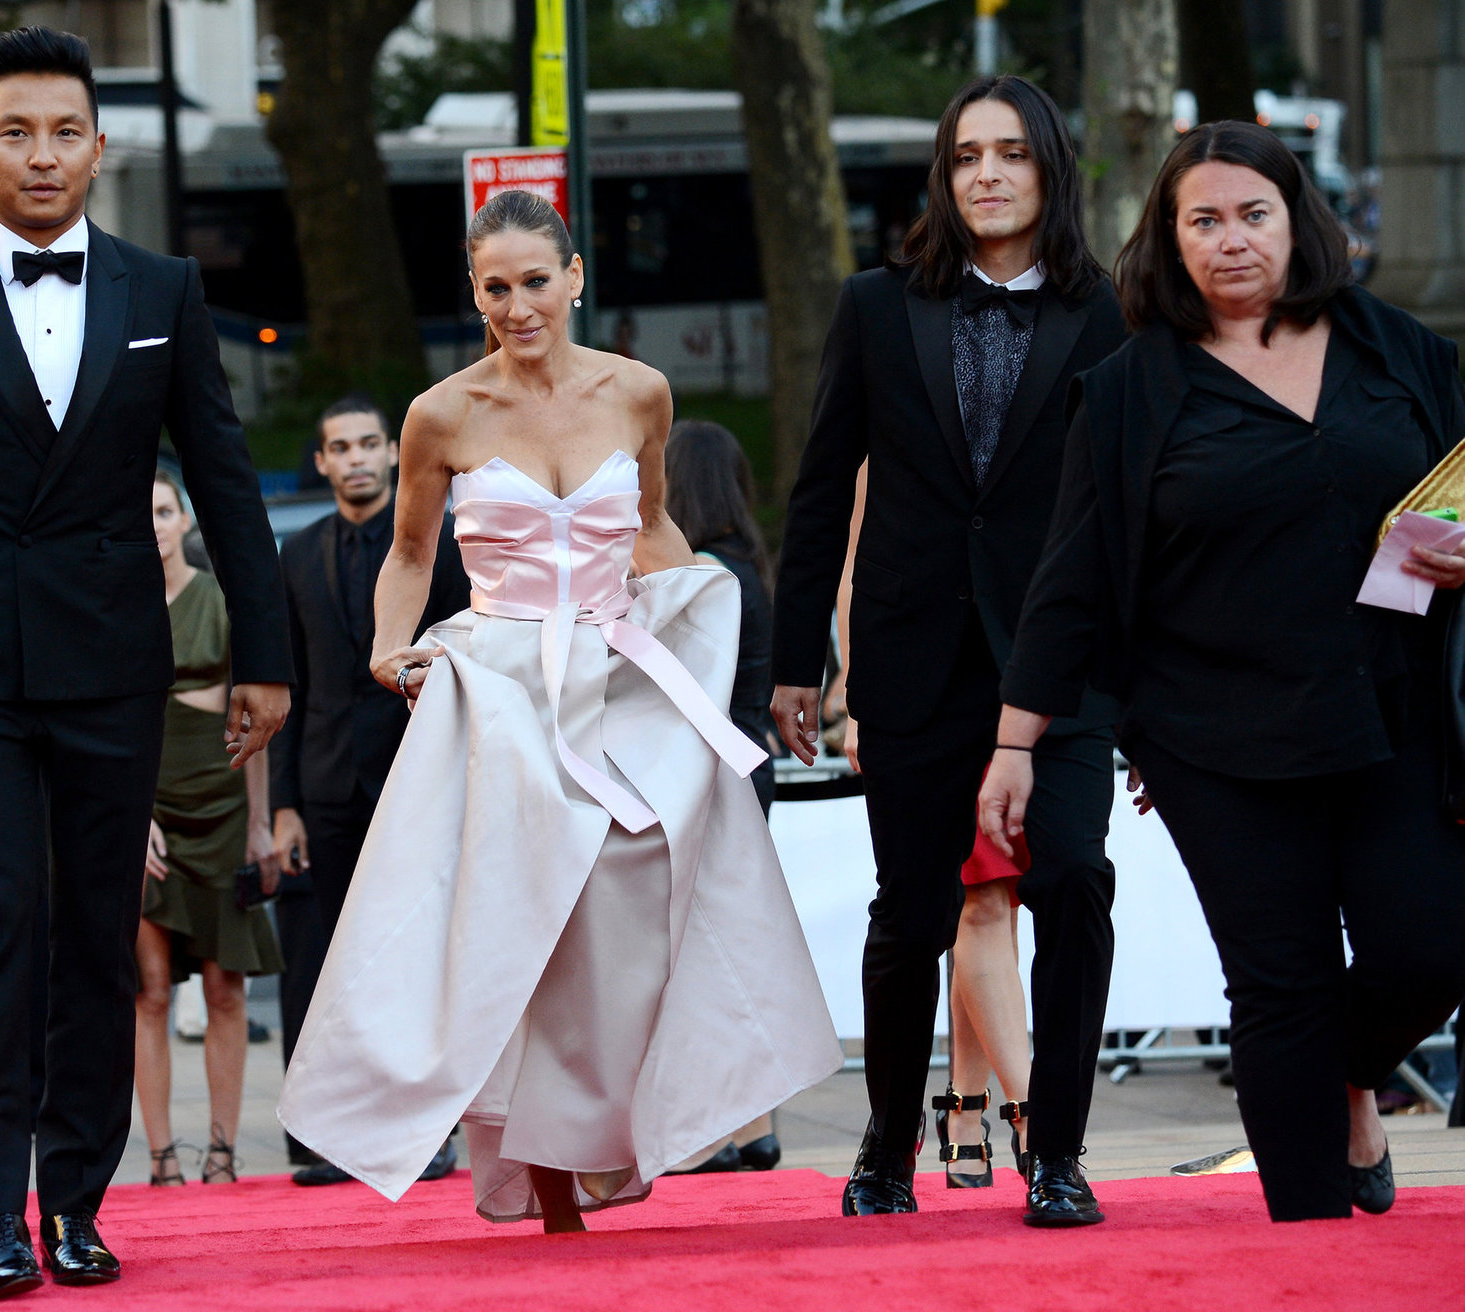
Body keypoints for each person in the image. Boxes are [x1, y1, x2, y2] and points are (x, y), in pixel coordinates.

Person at [278, 189, 842, 1233]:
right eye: (496, 286)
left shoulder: (640, 393)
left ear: (576, 277)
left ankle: (612, 1127)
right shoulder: (441, 413)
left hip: (617, 672)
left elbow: (656, 526)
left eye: (536, 280)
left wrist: (720, 613)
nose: (517, 303)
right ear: (477, 291)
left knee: (626, 905)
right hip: (499, 686)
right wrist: (384, 647)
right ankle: (543, 1183)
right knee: (516, 923)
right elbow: (409, 553)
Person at [0, 27, 292, 1297]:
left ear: (100, 146)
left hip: (113, 665)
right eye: (16, 132)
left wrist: (262, 652)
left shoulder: (164, 290)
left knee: (99, 935)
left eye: (65, 131)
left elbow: (223, 481)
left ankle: (78, 1205)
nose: (42, 154)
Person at [979, 120, 1465, 1222]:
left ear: (1300, 225)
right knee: (1279, 984)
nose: (1231, 240)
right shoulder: (1125, 391)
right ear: (1170, 239)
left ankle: (1352, 1077)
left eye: (1254, 215)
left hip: (1399, 715)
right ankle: (1308, 1243)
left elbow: (1458, 484)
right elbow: (1071, 580)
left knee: (1433, 943)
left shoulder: (1403, 351)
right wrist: (1017, 742)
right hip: (1215, 736)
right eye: (1204, 220)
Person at [769, 74, 1125, 1225]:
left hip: (1061, 661)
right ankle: (884, 1142)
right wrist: (796, 663)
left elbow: (1136, 513)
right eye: (967, 153)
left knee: (1072, 881)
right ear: (945, 172)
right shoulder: (876, 307)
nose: (986, 172)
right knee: (911, 910)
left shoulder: (1109, 313)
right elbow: (822, 492)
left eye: (1011, 153)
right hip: (913, 653)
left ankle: (1055, 1150)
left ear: (1049, 170)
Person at [269, 393, 471, 1188]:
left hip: (418, 782)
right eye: (337, 447)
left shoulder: (445, 550)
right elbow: (288, 682)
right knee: (320, 966)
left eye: (366, 444)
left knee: (417, 961)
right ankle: (322, 1138)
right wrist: (282, 802)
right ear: (319, 462)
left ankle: (423, 1134)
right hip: (323, 790)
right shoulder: (298, 554)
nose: (353, 458)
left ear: (392, 453)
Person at [834, 465, 1033, 1189]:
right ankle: (1026, 1112)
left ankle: (964, 1109)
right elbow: (855, 568)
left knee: (992, 907)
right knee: (977, 902)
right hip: (926, 695)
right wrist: (859, 696)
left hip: (1017, 687)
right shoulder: (887, 431)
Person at [134, 471, 285, 1188]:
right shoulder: (108, 603)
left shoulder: (222, 599)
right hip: (140, 807)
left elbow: (254, 723)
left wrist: (260, 824)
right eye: (141, 512)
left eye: (163, 510)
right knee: (150, 989)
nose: (154, 524)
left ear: (182, 517)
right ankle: (162, 1157)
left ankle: (223, 1153)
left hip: (224, 803)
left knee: (227, 986)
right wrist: (129, 821)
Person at [661, 418, 784, 1174]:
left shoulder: (699, 575)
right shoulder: (748, 567)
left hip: (704, 769)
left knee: (695, 954)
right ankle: (755, 1125)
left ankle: (707, 1133)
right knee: (738, 945)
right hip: (751, 762)